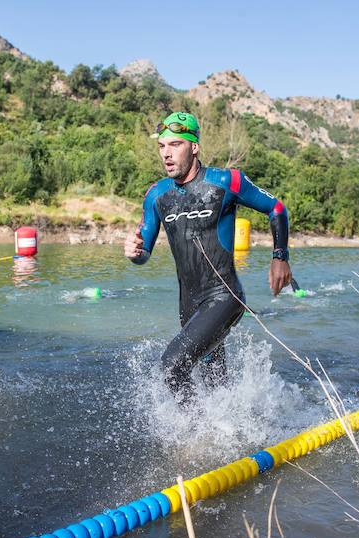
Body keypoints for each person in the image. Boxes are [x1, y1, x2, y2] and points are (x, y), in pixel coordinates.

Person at [124, 112, 295, 401]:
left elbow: (276, 208)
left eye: (175, 144)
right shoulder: (156, 195)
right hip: (188, 304)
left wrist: (280, 257)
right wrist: (135, 253)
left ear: (194, 147)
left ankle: (192, 427)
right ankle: (234, 424)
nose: (166, 153)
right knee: (214, 381)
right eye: (162, 146)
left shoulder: (227, 181)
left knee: (171, 367)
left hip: (224, 296)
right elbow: (144, 253)